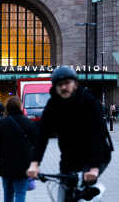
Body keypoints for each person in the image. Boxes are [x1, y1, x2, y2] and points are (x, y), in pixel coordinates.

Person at [27, 66, 113, 201]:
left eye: (67, 83)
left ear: (75, 84)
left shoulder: (89, 102)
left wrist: (94, 168)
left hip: (95, 155)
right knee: (64, 195)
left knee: (84, 191)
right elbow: (42, 134)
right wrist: (35, 163)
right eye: (59, 84)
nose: (63, 87)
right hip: (69, 158)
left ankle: (94, 192)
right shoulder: (53, 104)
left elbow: (97, 136)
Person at [0, 96, 37, 202]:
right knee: (20, 193)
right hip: (23, 166)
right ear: (20, 107)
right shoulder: (29, 123)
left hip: (5, 165)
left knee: (8, 193)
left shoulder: (0, 124)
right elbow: (37, 144)